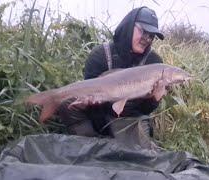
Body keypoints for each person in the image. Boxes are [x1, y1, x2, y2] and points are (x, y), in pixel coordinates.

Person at [57, 6, 165, 145]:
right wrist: (88, 102)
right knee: (67, 104)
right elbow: (89, 88)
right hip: (98, 116)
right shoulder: (100, 54)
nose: (147, 39)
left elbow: (144, 110)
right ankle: (90, 144)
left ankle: (122, 147)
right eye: (143, 31)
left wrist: (153, 99)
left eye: (151, 36)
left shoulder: (154, 62)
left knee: (139, 151)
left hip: (128, 119)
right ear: (129, 26)